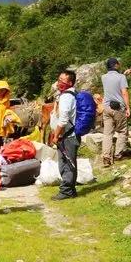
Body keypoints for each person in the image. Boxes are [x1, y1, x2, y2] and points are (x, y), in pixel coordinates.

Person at [52, 69, 80, 200]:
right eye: (58, 80)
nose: (59, 83)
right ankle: (71, 189)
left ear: (70, 82)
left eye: (62, 81)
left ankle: (66, 191)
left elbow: (63, 119)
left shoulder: (66, 97)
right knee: (69, 162)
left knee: (66, 163)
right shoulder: (72, 94)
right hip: (70, 134)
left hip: (67, 135)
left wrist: (56, 135)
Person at [101, 58, 131, 167]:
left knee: (107, 133)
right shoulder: (121, 77)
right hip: (118, 108)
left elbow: (113, 83)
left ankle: (106, 157)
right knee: (122, 131)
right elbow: (124, 93)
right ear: (116, 65)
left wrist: (124, 75)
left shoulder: (103, 77)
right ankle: (118, 154)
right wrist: (128, 108)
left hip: (107, 108)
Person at [0, 80, 20, 149]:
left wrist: (9, 115)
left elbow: (8, 110)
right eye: (1, 89)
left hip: (3, 126)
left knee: (0, 146)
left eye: (4, 90)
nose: (2, 91)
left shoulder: (7, 100)